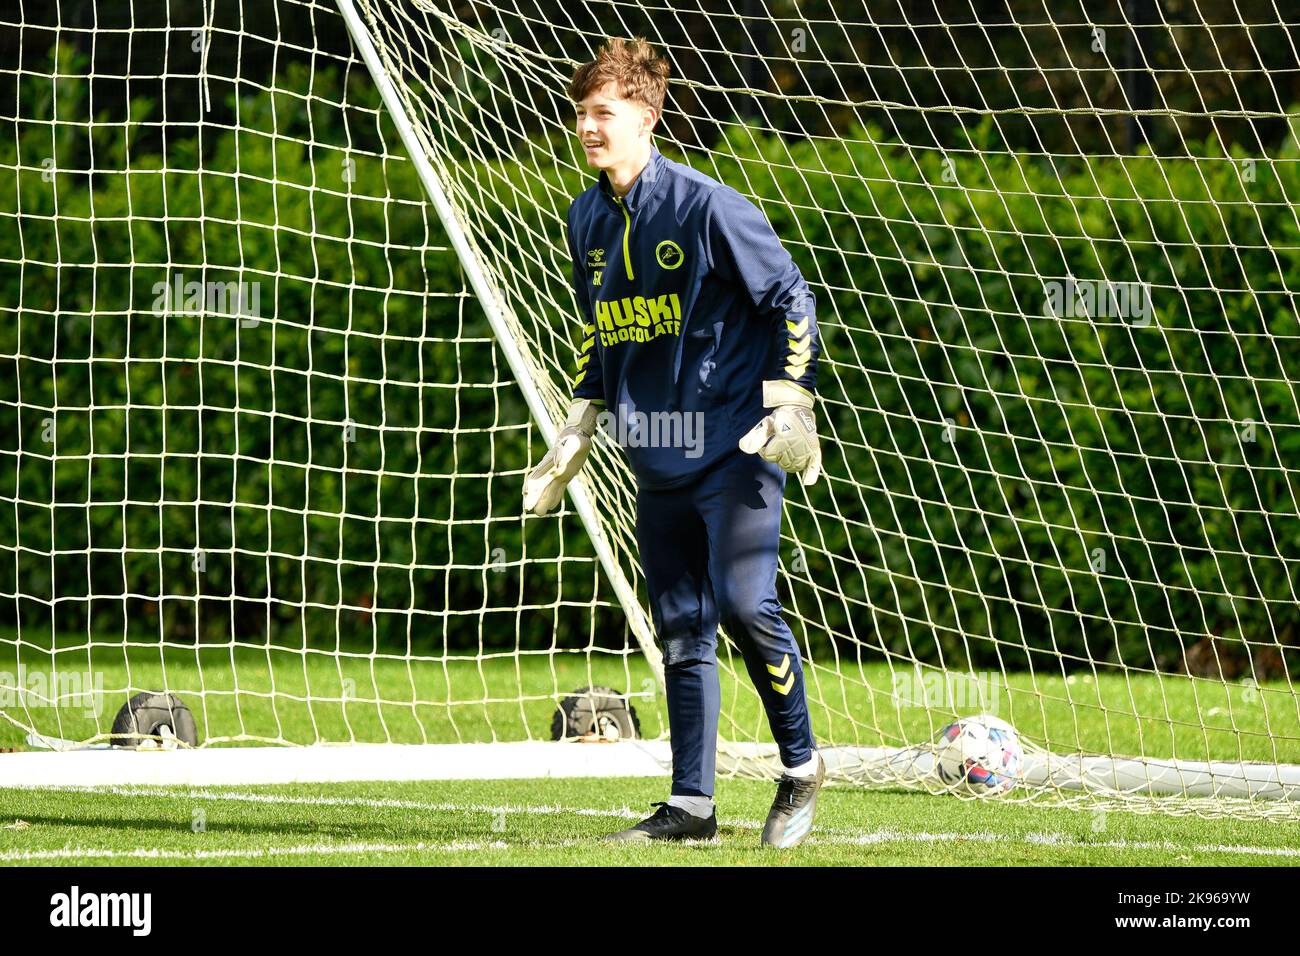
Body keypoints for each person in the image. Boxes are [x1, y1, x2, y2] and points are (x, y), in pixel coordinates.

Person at [523, 36, 824, 849]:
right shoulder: (585, 216)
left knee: (741, 604)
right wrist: (579, 419)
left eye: (603, 113)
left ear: (647, 117)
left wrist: (791, 400)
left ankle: (800, 767)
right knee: (682, 628)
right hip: (652, 453)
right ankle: (691, 806)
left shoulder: (706, 206)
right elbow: (602, 333)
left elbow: (790, 298)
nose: (587, 126)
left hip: (735, 449)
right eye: (581, 112)